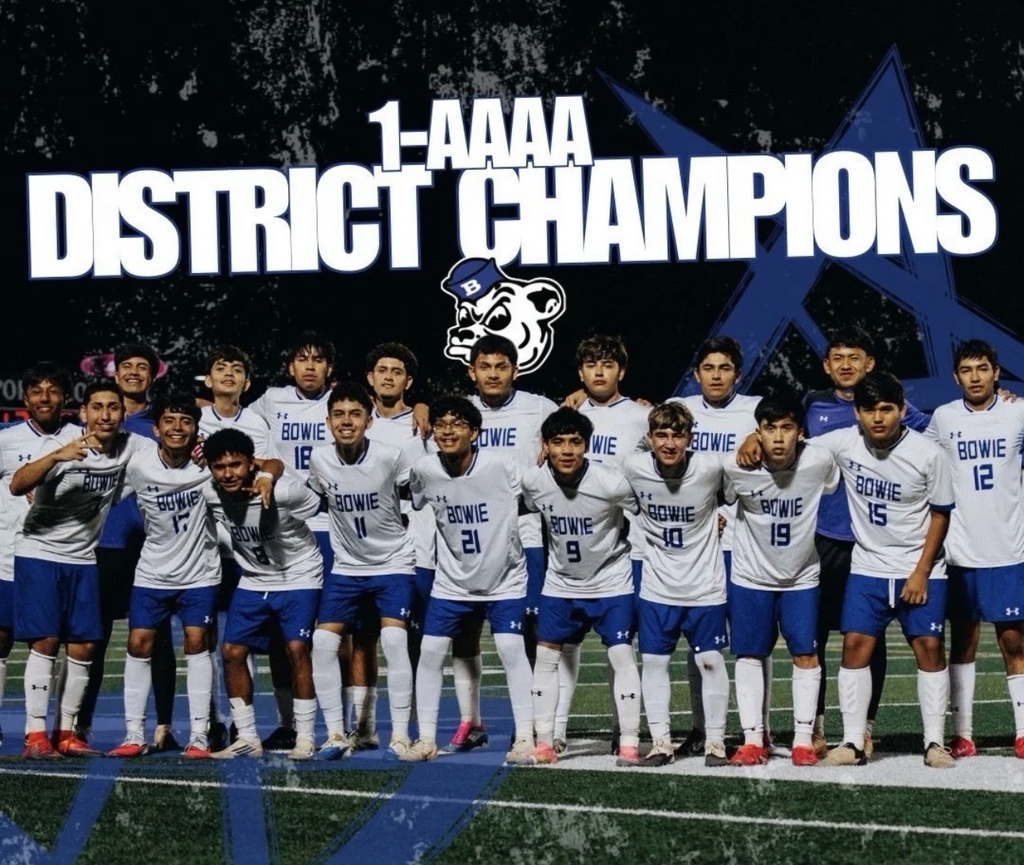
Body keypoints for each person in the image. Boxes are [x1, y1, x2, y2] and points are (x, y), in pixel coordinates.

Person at [107, 395, 279, 758]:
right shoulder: (139, 466)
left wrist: (264, 477)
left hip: (200, 572)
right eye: (169, 420)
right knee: (138, 644)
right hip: (152, 571)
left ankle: (200, 734)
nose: (177, 428)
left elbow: (268, 464)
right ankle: (134, 733)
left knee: (197, 643)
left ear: (195, 430)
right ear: (157, 428)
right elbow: (106, 493)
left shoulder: (208, 468)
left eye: (185, 421)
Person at [808, 372, 954, 768]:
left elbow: (941, 515)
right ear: (856, 413)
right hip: (868, 565)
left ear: (902, 410)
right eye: (869, 409)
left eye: (886, 409)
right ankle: (853, 742)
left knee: (928, 648)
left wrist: (921, 571)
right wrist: (755, 439)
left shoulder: (928, 454)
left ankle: (935, 743)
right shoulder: (843, 442)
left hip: (918, 567)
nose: (878, 418)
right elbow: (795, 449)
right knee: (855, 645)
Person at [11, 382, 152, 758]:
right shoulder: (67, 443)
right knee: (45, 641)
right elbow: (16, 484)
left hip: (83, 557)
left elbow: (170, 452)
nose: (105, 415)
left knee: (85, 644)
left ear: (123, 415)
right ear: (84, 413)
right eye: (98, 408)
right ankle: (36, 736)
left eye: (113, 408)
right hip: (39, 552)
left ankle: (68, 733)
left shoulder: (131, 445)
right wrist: (57, 456)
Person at [403, 396, 536, 764]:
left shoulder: (501, 466)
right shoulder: (426, 469)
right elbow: (414, 500)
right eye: (441, 424)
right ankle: (426, 739)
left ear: (475, 432)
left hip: (504, 578)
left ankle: (525, 736)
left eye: (458, 424)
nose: (448, 430)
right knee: (430, 652)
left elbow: (535, 496)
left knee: (511, 649)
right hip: (452, 580)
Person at [445, 335, 558, 754]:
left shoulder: (541, 407)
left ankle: (525, 725)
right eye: (485, 366)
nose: (493, 373)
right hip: (467, 537)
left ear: (516, 369)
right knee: (465, 630)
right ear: (472, 370)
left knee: (527, 632)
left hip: (524, 534)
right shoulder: (454, 412)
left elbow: (574, 431)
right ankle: (470, 722)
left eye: (501, 366)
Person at [723, 394, 839, 766]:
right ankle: (753, 739)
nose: (777, 437)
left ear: (800, 433)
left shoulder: (819, 460)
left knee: (805, 653)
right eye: (769, 429)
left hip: (801, 577)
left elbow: (834, 482)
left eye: (786, 428)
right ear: (757, 431)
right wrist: (745, 441)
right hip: (750, 576)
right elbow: (721, 496)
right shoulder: (736, 467)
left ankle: (804, 740)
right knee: (750, 653)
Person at [523, 407, 643, 766]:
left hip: (611, 579)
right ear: (545, 446)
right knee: (546, 656)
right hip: (561, 581)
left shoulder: (611, 482)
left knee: (621, 654)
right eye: (558, 442)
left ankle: (630, 742)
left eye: (576, 442)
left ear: (587, 446)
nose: (567, 450)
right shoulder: (534, 481)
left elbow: (646, 513)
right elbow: (527, 508)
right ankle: (544, 741)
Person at [306, 382, 416, 760]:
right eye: (339, 414)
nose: (346, 421)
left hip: (393, 563)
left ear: (369, 421)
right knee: (322, 643)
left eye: (355, 414)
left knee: (395, 642)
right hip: (347, 566)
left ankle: (400, 736)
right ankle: (337, 734)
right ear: (328, 421)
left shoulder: (390, 456)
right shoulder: (319, 459)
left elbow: (415, 496)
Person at [668, 336, 766, 757]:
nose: (716, 375)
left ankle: (755, 730)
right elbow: (646, 447)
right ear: (696, 374)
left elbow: (788, 434)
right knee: (698, 641)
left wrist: (758, 436)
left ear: (738, 374)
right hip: (697, 545)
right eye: (708, 368)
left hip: (746, 542)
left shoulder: (756, 410)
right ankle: (701, 727)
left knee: (751, 640)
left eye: (725, 368)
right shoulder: (680, 410)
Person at [926, 339, 1024, 759]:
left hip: (1009, 548)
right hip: (961, 550)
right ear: (956, 376)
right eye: (967, 370)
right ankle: (963, 734)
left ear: (997, 373)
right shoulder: (943, 418)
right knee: (963, 641)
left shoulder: (1018, 410)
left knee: (1015, 643)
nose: (976, 377)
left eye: (983, 368)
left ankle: (1022, 732)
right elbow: (919, 459)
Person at [79, 343, 180, 751]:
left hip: (153, 548)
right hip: (101, 547)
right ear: (115, 372)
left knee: (157, 640)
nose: (134, 372)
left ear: (153, 374)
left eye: (143, 367)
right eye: (127, 366)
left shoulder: (166, 423)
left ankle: (165, 728)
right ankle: (79, 727)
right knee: (93, 637)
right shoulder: (94, 424)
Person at [620, 402, 730, 767]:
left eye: (678, 435)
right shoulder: (634, 467)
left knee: (711, 662)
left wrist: (724, 516)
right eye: (662, 435)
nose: (670, 443)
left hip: (705, 583)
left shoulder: (711, 466)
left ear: (690, 438)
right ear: (649, 438)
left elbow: (739, 491)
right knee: (653, 663)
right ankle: (661, 742)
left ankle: (715, 742)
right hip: (657, 585)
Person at [202, 429, 322, 760]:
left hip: (298, 574)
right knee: (231, 650)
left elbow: (315, 506)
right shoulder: (210, 492)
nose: (228, 473)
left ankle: (306, 736)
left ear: (250, 464)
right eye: (219, 466)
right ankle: (248, 738)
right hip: (254, 577)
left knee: (296, 648)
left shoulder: (285, 491)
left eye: (236, 465)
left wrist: (270, 473)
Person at [248, 331, 336, 751]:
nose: (310, 367)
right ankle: (288, 722)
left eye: (318, 360)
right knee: (286, 637)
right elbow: (233, 421)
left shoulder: (345, 400)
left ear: (329, 369)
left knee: (337, 632)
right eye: (303, 359)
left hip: (334, 525)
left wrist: (424, 406)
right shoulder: (270, 399)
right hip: (284, 522)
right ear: (290, 367)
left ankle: (346, 722)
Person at [350, 342, 435, 747]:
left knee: (410, 635)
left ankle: (416, 726)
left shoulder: (425, 424)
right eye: (380, 369)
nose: (387, 376)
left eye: (396, 371)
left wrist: (424, 408)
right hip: (363, 542)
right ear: (369, 378)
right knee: (362, 636)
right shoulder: (352, 421)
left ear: (409, 381)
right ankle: (363, 725)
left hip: (416, 539)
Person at [570, 334, 649, 754]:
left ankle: (626, 729)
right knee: (563, 641)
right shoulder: (563, 414)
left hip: (627, 542)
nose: (599, 372)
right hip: (573, 542)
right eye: (591, 364)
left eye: (607, 364)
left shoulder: (641, 417)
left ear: (621, 371)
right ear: (580, 372)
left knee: (623, 641)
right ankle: (554, 731)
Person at [0, 363, 78, 746]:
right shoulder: (6, 439)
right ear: (25, 398)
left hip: (56, 556)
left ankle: (44, 733)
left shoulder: (83, 437)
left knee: (49, 641)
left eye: (52, 390)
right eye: (36, 390)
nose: (44, 397)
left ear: (64, 397)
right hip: (6, 555)